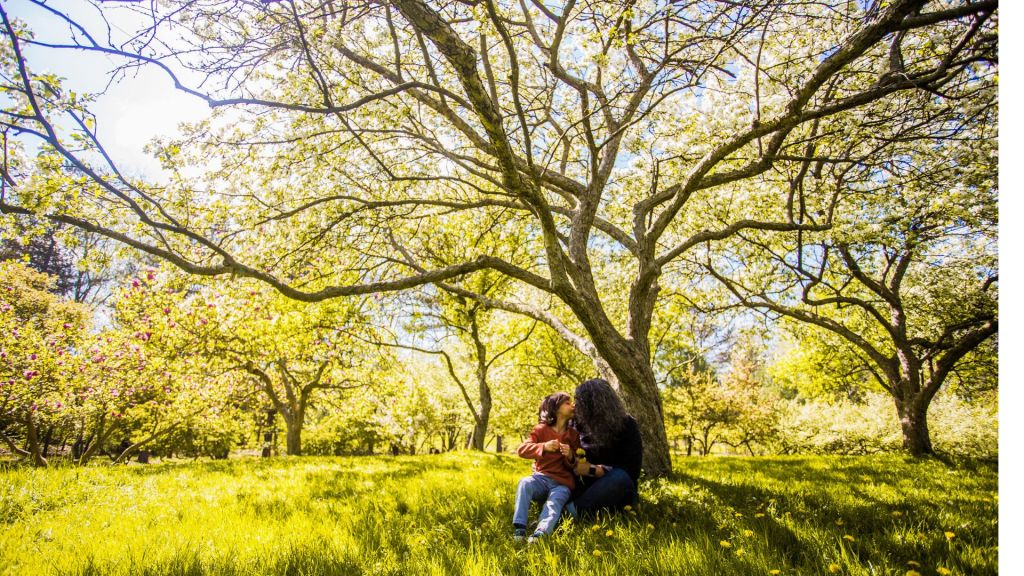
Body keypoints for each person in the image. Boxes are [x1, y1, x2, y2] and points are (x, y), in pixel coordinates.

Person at [512, 391, 580, 543]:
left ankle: (540, 533)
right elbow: (522, 450)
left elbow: (576, 464)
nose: (573, 405)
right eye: (568, 403)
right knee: (524, 483)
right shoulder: (540, 430)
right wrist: (543, 447)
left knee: (554, 502)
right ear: (555, 409)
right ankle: (520, 528)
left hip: (562, 484)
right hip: (540, 479)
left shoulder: (573, 435)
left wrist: (570, 455)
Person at [571, 378, 643, 516]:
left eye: (580, 401)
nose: (575, 405)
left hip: (613, 487)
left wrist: (593, 470)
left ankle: (568, 513)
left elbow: (632, 471)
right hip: (583, 486)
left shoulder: (627, 425)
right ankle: (566, 509)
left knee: (620, 478)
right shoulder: (575, 423)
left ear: (595, 404)